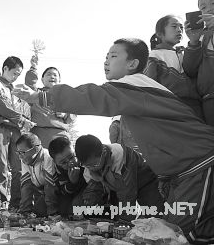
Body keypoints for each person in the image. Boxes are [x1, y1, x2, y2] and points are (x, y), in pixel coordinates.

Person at [14, 38, 214, 243]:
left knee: (179, 234)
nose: (106, 61)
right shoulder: (138, 92)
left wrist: (43, 97)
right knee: (178, 228)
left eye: (113, 56)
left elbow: (94, 97)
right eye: (106, 57)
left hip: (197, 164)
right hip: (184, 171)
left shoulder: (134, 84)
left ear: (132, 64)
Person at [75, 134, 164, 221]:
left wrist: (124, 222)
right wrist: (86, 208)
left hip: (146, 183)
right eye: (88, 165)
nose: (93, 168)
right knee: (116, 216)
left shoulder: (122, 156)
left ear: (104, 152)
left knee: (156, 217)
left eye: (95, 164)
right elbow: (93, 190)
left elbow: (127, 194)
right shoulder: (88, 168)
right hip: (119, 188)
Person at [0, 56, 34, 212]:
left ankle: (16, 203)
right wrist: (21, 119)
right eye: (14, 73)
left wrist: (24, 120)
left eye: (18, 74)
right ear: (5, 68)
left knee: (18, 167)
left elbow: (21, 109)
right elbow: (2, 107)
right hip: (0, 128)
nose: (16, 77)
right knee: (0, 166)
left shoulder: (14, 90)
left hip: (16, 130)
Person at [145, 15, 203, 119]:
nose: (179, 30)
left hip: (196, 106)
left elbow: (193, 70)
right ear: (160, 33)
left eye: (181, 27)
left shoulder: (185, 52)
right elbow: (149, 86)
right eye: (174, 26)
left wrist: (194, 42)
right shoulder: (154, 56)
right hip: (171, 106)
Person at [24, 55, 76, 148]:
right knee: (41, 161)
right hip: (39, 134)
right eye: (48, 74)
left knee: (62, 161)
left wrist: (65, 114)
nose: (52, 76)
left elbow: (73, 114)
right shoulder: (37, 94)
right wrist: (33, 67)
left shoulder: (64, 96)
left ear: (59, 80)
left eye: (55, 75)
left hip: (60, 134)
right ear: (42, 80)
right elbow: (29, 84)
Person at [183, 0, 214, 126]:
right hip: (209, 99)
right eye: (203, 7)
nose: (209, 8)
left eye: (213, 3)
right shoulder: (200, 37)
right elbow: (190, 70)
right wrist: (194, 42)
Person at [16, 133, 59, 217]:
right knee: (38, 212)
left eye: (22, 152)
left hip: (55, 191)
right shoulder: (25, 160)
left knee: (52, 211)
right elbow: (26, 184)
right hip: (40, 191)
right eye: (18, 153)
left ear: (35, 149)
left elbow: (49, 185)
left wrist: (52, 213)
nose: (20, 157)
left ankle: (54, 211)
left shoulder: (47, 157)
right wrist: (25, 210)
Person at [47, 137, 87, 217]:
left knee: (76, 207)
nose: (70, 163)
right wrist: (72, 183)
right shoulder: (56, 170)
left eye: (72, 157)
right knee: (61, 210)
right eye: (63, 162)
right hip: (69, 191)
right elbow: (63, 191)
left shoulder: (83, 159)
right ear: (55, 162)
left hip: (87, 189)